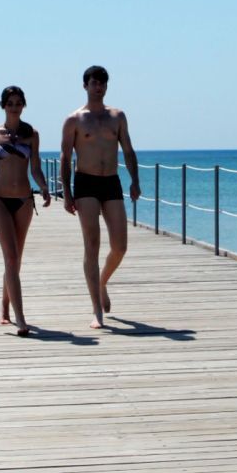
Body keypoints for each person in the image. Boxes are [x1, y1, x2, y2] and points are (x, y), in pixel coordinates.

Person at [60, 65, 140, 329]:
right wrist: (67, 192)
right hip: (86, 182)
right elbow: (65, 157)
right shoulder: (74, 120)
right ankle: (96, 309)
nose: (99, 87)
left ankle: (102, 281)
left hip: (111, 182)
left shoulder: (117, 117)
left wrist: (135, 180)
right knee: (91, 243)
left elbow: (128, 150)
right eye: (94, 83)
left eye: (103, 83)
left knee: (120, 246)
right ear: (85, 85)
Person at [0, 86, 52, 336]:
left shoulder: (32, 134)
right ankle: (20, 318)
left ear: (23, 105)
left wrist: (44, 187)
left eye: (18, 103)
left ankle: (5, 306)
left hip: (25, 201)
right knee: (12, 258)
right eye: (10, 103)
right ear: (3, 105)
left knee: (15, 259)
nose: (14, 107)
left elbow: (36, 167)